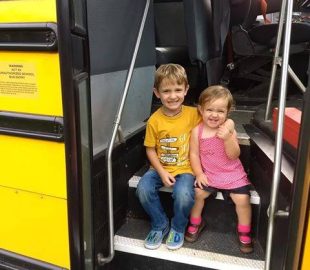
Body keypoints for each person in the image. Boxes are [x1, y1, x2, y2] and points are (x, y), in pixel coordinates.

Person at [136, 63, 201, 250]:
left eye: (178, 89)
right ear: (157, 93)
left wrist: (228, 126)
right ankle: (160, 224)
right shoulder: (154, 120)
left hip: (186, 168)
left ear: (186, 90)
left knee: (184, 194)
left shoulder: (194, 114)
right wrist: (162, 172)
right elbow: (150, 150)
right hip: (159, 168)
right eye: (166, 91)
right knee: (143, 189)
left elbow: (213, 120)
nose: (173, 96)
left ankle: (178, 227)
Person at [185, 85, 253, 254]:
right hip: (210, 174)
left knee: (243, 199)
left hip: (232, 174)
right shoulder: (197, 131)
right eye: (210, 110)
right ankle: (195, 222)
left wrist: (228, 138)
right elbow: (193, 154)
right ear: (200, 110)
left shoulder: (228, 129)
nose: (214, 115)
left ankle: (244, 230)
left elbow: (234, 155)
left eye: (220, 111)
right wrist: (199, 174)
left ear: (228, 112)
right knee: (198, 193)